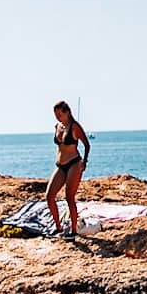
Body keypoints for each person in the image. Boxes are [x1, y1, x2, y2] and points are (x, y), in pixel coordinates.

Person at [47, 101, 91, 237]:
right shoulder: (57, 126)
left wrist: (84, 161)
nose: (57, 116)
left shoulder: (74, 126)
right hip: (60, 165)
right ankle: (58, 227)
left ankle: (73, 231)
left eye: (59, 113)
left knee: (69, 197)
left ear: (66, 112)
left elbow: (86, 144)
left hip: (74, 163)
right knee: (49, 196)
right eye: (55, 114)